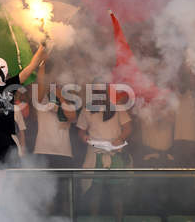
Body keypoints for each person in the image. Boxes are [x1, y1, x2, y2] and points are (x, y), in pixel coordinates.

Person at [77, 84, 132, 222]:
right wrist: (84, 137)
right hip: (95, 155)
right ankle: (94, 220)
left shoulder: (117, 108)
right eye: (96, 91)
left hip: (115, 154)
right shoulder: (87, 109)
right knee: (95, 192)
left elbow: (128, 128)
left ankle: (119, 220)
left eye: (102, 91)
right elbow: (81, 130)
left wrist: (119, 139)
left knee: (117, 193)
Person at [33, 58, 77, 168]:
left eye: (59, 85)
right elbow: (40, 83)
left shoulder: (69, 103)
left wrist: (61, 98)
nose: (56, 86)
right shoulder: (42, 99)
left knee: (62, 185)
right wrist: (42, 67)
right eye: (53, 83)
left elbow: (72, 117)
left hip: (63, 152)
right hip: (43, 150)